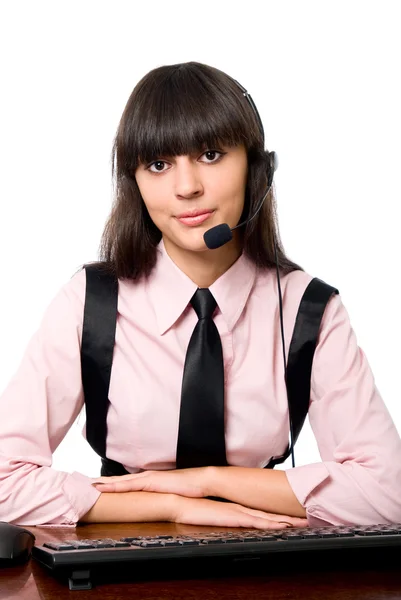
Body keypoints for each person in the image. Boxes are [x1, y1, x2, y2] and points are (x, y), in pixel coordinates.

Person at [0, 62, 400, 532]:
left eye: (211, 154)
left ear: (257, 169)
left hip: (267, 555)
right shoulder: (89, 303)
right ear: (135, 183)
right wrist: (171, 505)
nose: (187, 187)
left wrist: (211, 481)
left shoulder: (308, 309)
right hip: (121, 553)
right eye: (158, 164)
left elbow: (388, 494)